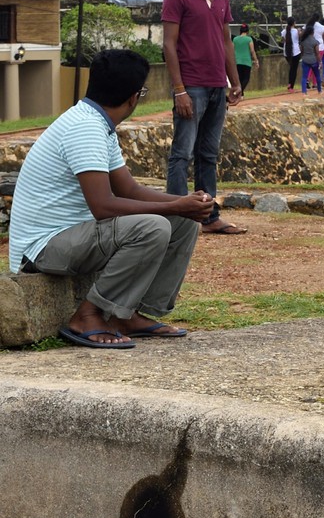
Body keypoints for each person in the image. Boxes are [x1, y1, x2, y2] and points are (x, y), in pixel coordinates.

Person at [9, 49, 212, 348]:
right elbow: (103, 206)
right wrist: (174, 205)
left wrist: (184, 205)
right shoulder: (85, 128)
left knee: (183, 223)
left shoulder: (98, 122)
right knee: (153, 227)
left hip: (71, 237)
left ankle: (127, 312)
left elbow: (129, 190)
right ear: (133, 97)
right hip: (42, 248)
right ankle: (87, 315)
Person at [161, 0, 245, 236]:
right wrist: (179, 89)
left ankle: (208, 218)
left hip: (215, 87)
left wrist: (235, 82)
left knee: (208, 155)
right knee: (182, 154)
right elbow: (169, 45)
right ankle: (175, 222)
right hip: (191, 86)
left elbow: (226, 41)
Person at [232, 23, 259, 93]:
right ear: (247, 31)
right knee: (246, 78)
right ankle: (239, 92)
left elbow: (232, 50)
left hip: (237, 61)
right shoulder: (249, 39)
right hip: (246, 61)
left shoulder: (235, 39)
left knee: (240, 78)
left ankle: (241, 94)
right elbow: (252, 51)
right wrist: (256, 61)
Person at [299, 19, 323, 94]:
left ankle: (304, 91)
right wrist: (320, 62)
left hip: (305, 60)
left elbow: (301, 51)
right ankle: (319, 90)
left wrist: (303, 57)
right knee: (317, 76)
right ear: (313, 32)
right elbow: (317, 53)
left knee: (304, 77)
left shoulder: (303, 41)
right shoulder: (315, 41)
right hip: (314, 61)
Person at [282, 16, 300, 92]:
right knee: (294, 69)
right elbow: (300, 38)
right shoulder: (296, 31)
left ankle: (290, 84)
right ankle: (291, 85)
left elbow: (283, 41)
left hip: (287, 52)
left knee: (291, 68)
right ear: (294, 23)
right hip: (296, 52)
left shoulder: (283, 32)